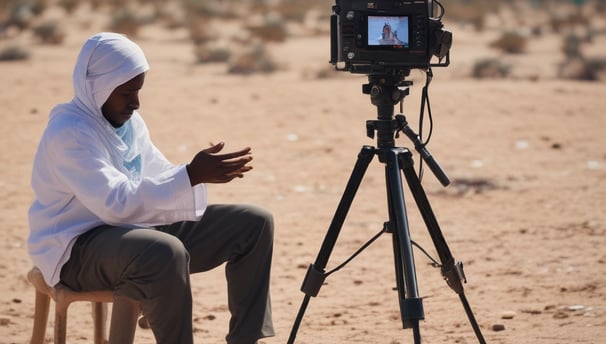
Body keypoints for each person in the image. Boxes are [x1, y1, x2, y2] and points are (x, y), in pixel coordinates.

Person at [27, 32, 274, 344]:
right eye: (127, 92)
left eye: (138, 91)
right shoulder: (71, 133)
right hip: (75, 250)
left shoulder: (129, 123)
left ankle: (246, 339)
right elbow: (115, 203)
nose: (136, 102)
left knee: (253, 223)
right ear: (96, 87)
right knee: (162, 252)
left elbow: (158, 174)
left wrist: (198, 173)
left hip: (134, 234)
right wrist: (189, 176)